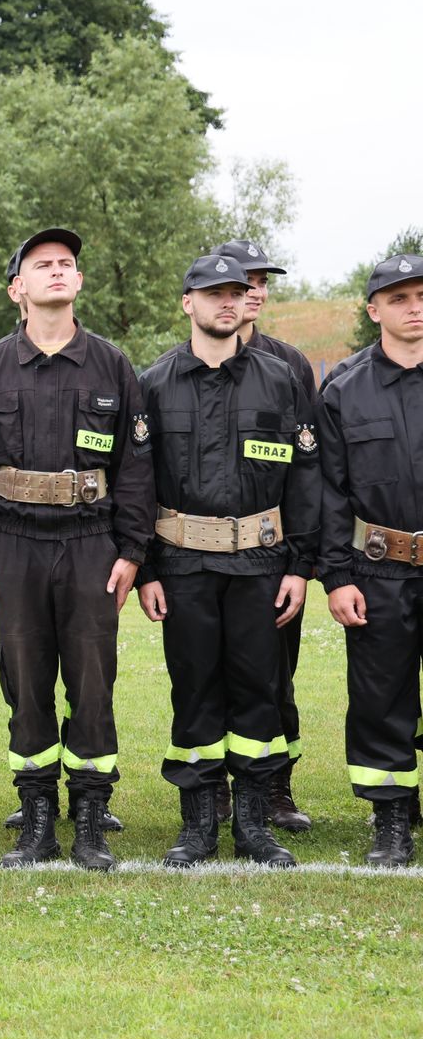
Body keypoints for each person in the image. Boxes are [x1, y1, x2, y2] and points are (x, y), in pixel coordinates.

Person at [0, 229, 153, 870]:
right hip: (13, 544)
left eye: (66, 264)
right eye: (41, 265)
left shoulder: (112, 365)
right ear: (18, 288)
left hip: (91, 543)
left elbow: (136, 467)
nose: (56, 272)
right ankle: (37, 819)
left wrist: (131, 551)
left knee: (93, 683)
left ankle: (92, 818)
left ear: (78, 282)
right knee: (25, 681)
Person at [136, 254, 315, 870]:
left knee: (259, 693)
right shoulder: (153, 384)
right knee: (195, 691)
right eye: (214, 294)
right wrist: (148, 570)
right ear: (188, 302)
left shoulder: (282, 379)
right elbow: (140, 483)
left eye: (237, 293)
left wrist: (299, 566)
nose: (227, 303)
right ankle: (198, 825)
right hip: (183, 565)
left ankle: (255, 825)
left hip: (261, 565)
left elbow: (306, 477)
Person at [205, 239, 318, 832]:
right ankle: (219, 793)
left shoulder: (290, 366)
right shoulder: (186, 367)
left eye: (260, 281)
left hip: (270, 553)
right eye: (242, 280)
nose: (253, 289)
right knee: (212, 672)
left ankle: (275, 786)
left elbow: (307, 468)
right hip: (204, 557)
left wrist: (301, 559)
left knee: (276, 671)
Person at [316, 253, 423, 867]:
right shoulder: (344, 390)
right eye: (400, 298)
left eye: (421, 298)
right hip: (378, 567)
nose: (413, 310)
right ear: (373, 308)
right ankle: (391, 820)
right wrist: (336, 576)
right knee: (381, 698)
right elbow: (329, 493)